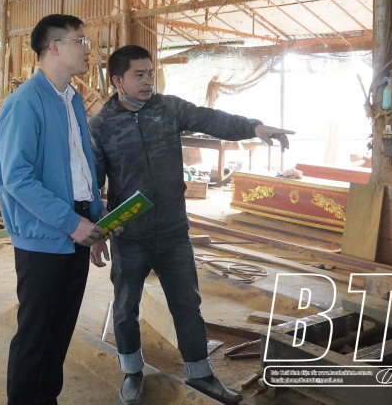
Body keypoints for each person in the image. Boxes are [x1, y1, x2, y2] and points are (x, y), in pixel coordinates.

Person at [88, 45, 294, 405]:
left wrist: (254, 126)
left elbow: (212, 119)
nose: (148, 81)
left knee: (187, 306)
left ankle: (201, 375)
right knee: (125, 308)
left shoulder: (168, 109)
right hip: (130, 237)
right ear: (118, 80)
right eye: (139, 75)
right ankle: (132, 372)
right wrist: (97, 230)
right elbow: (93, 182)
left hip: (173, 232)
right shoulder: (101, 125)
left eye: (151, 73)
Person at [0, 14, 123, 405]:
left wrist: (96, 220)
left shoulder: (71, 100)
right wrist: (72, 223)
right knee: (36, 335)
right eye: (80, 41)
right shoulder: (25, 103)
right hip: (44, 236)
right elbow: (17, 178)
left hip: (75, 229)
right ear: (54, 47)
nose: (89, 50)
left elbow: (81, 168)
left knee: (59, 332)